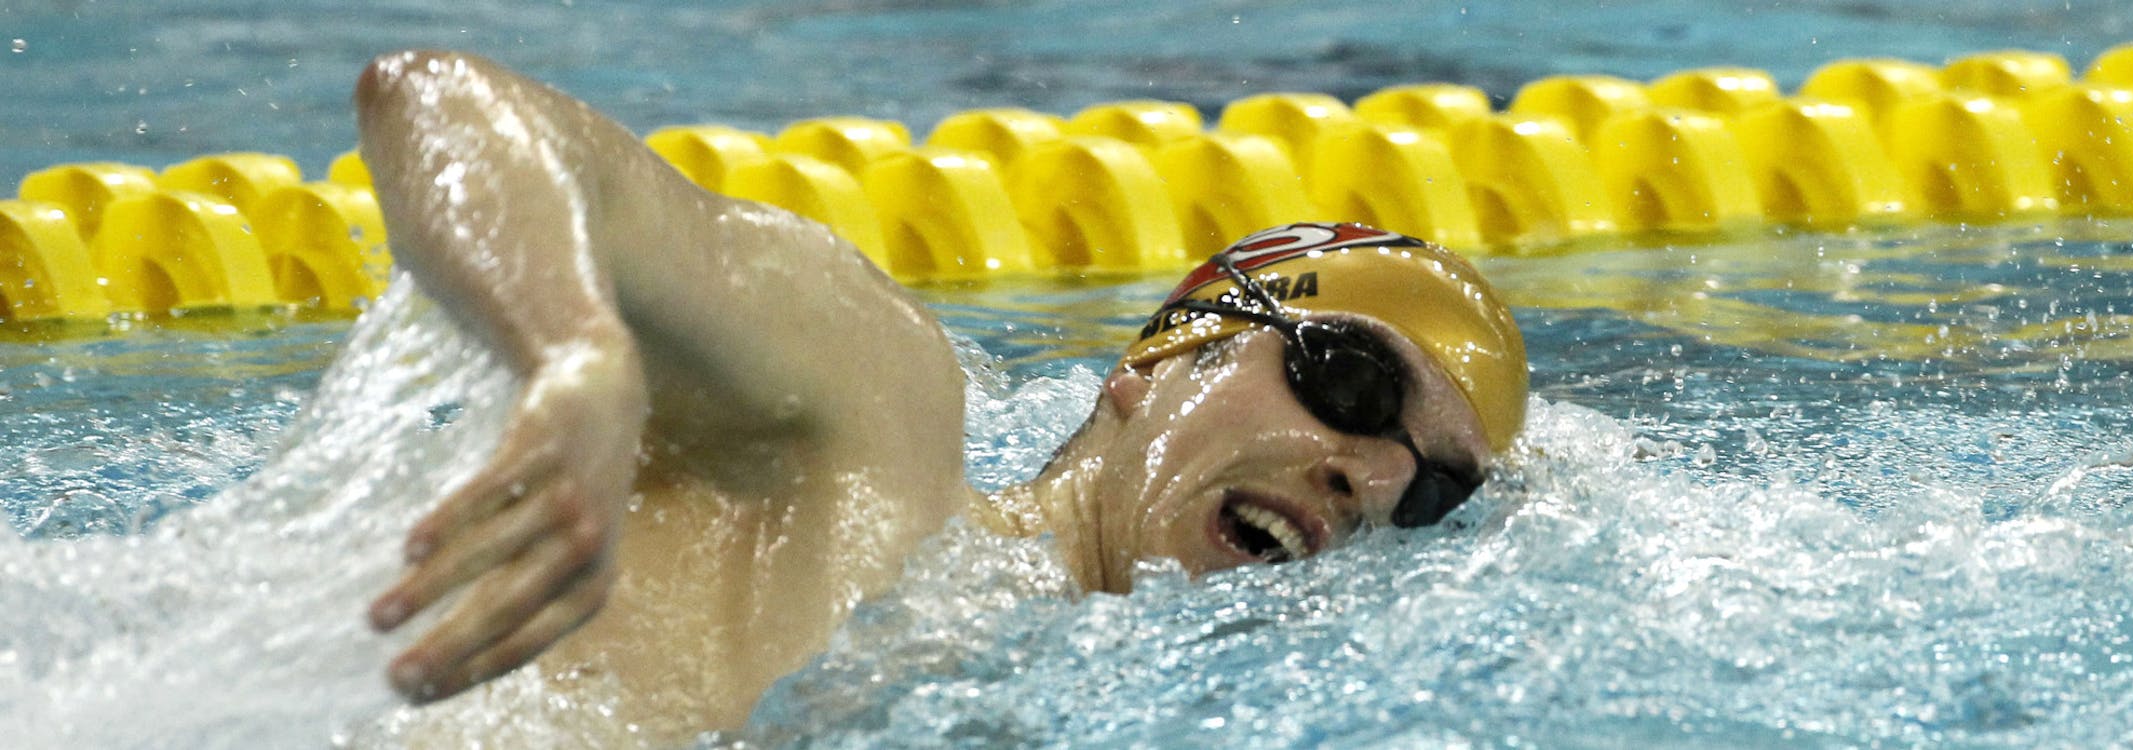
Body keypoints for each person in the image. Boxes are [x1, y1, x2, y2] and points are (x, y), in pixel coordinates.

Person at [353, 50, 1527, 742]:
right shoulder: (875, 411)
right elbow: (441, 103)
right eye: (1351, 383)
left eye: (1429, 494)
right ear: (1163, 358)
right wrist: (572, 349)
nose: (1368, 478)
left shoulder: (1049, 704)